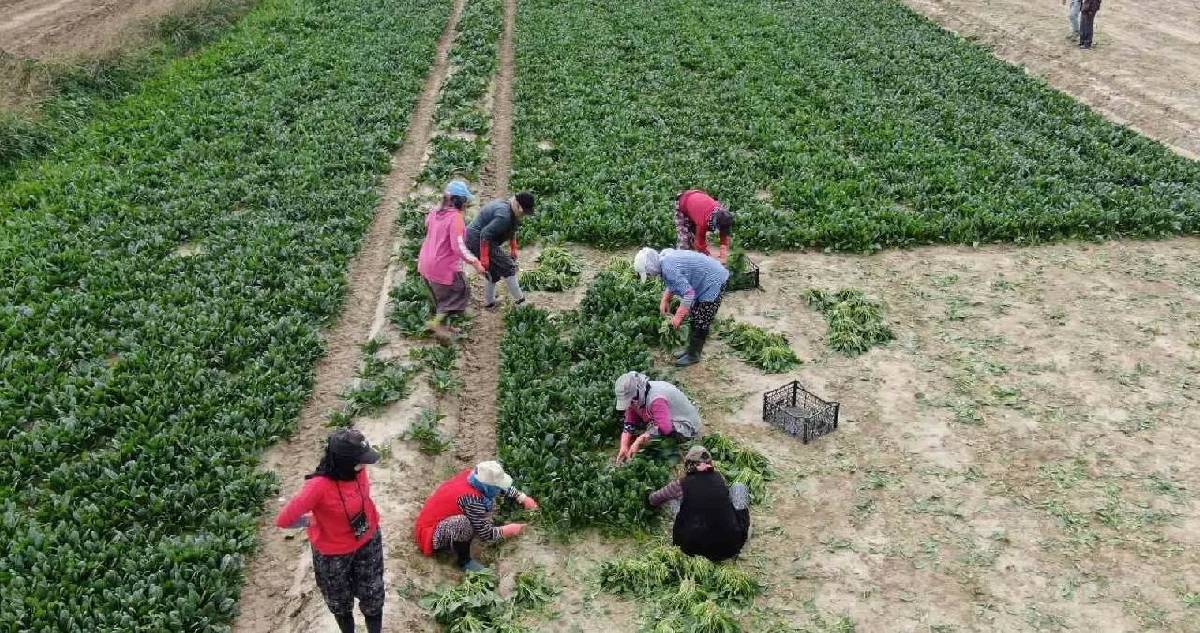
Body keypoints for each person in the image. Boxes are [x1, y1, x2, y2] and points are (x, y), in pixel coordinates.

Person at [276, 429, 385, 633]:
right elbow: (284, 519)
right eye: (360, 460)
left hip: (368, 540)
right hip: (333, 555)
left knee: (374, 594)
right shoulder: (317, 486)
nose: (365, 464)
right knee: (339, 601)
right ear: (343, 462)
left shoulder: (357, 471)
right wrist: (311, 522)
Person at [414, 461, 538, 572]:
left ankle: (461, 541)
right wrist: (508, 530)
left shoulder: (473, 476)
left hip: (435, 517)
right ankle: (464, 561)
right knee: (462, 524)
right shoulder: (471, 499)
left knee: (469, 521)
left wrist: (522, 497)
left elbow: (499, 485)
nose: (499, 489)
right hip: (430, 532)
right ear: (487, 487)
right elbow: (486, 534)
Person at [649, 445, 751, 563]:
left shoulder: (680, 484)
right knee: (739, 487)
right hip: (730, 547)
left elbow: (654, 499)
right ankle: (741, 533)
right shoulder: (719, 477)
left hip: (689, 549)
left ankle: (689, 530)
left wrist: (650, 494)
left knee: (674, 499)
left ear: (688, 464)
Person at [633, 246, 730, 367]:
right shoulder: (664, 258)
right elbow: (676, 280)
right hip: (707, 278)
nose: (649, 275)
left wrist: (678, 317)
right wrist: (665, 299)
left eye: (648, 273)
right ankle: (690, 351)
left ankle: (693, 355)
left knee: (701, 320)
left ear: (651, 267)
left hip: (714, 281)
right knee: (695, 315)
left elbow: (689, 294)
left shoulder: (668, 267)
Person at [418, 180, 486, 337]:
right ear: (460, 201)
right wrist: (475, 262)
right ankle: (435, 324)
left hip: (424, 264)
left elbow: (427, 224)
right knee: (461, 291)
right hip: (442, 267)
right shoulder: (455, 218)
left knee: (442, 298)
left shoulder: (435, 212)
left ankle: (444, 326)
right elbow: (458, 247)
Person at [465, 192, 535, 309]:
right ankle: (521, 302)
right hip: (477, 239)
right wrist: (484, 257)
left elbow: (512, 229)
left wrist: (513, 247)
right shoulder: (504, 215)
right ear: (518, 206)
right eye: (523, 212)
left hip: (485, 239)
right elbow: (485, 234)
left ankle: (489, 302)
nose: (523, 215)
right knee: (508, 267)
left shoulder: (511, 211)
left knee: (493, 271)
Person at [614, 371, 702, 462]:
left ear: (637, 392)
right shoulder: (639, 394)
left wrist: (639, 441)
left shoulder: (656, 399)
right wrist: (624, 446)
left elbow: (665, 428)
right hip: (664, 417)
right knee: (644, 430)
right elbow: (630, 419)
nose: (630, 404)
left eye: (631, 401)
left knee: (652, 441)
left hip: (685, 425)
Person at [674, 189, 734, 265]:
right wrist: (709, 259)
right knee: (685, 240)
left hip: (697, 198)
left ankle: (693, 258)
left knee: (695, 237)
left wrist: (723, 252)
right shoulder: (703, 221)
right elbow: (699, 243)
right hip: (683, 201)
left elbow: (724, 232)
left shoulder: (721, 214)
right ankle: (679, 262)